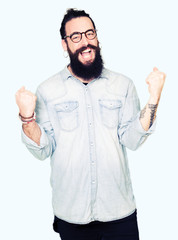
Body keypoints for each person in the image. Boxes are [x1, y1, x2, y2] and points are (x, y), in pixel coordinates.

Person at [15, 8, 166, 240]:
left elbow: (133, 140)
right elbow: (43, 150)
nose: (85, 42)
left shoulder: (122, 85)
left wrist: (154, 98)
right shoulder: (47, 90)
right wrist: (27, 118)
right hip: (72, 216)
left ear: (97, 36)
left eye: (90, 33)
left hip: (119, 213)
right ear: (65, 45)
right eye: (75, 37)